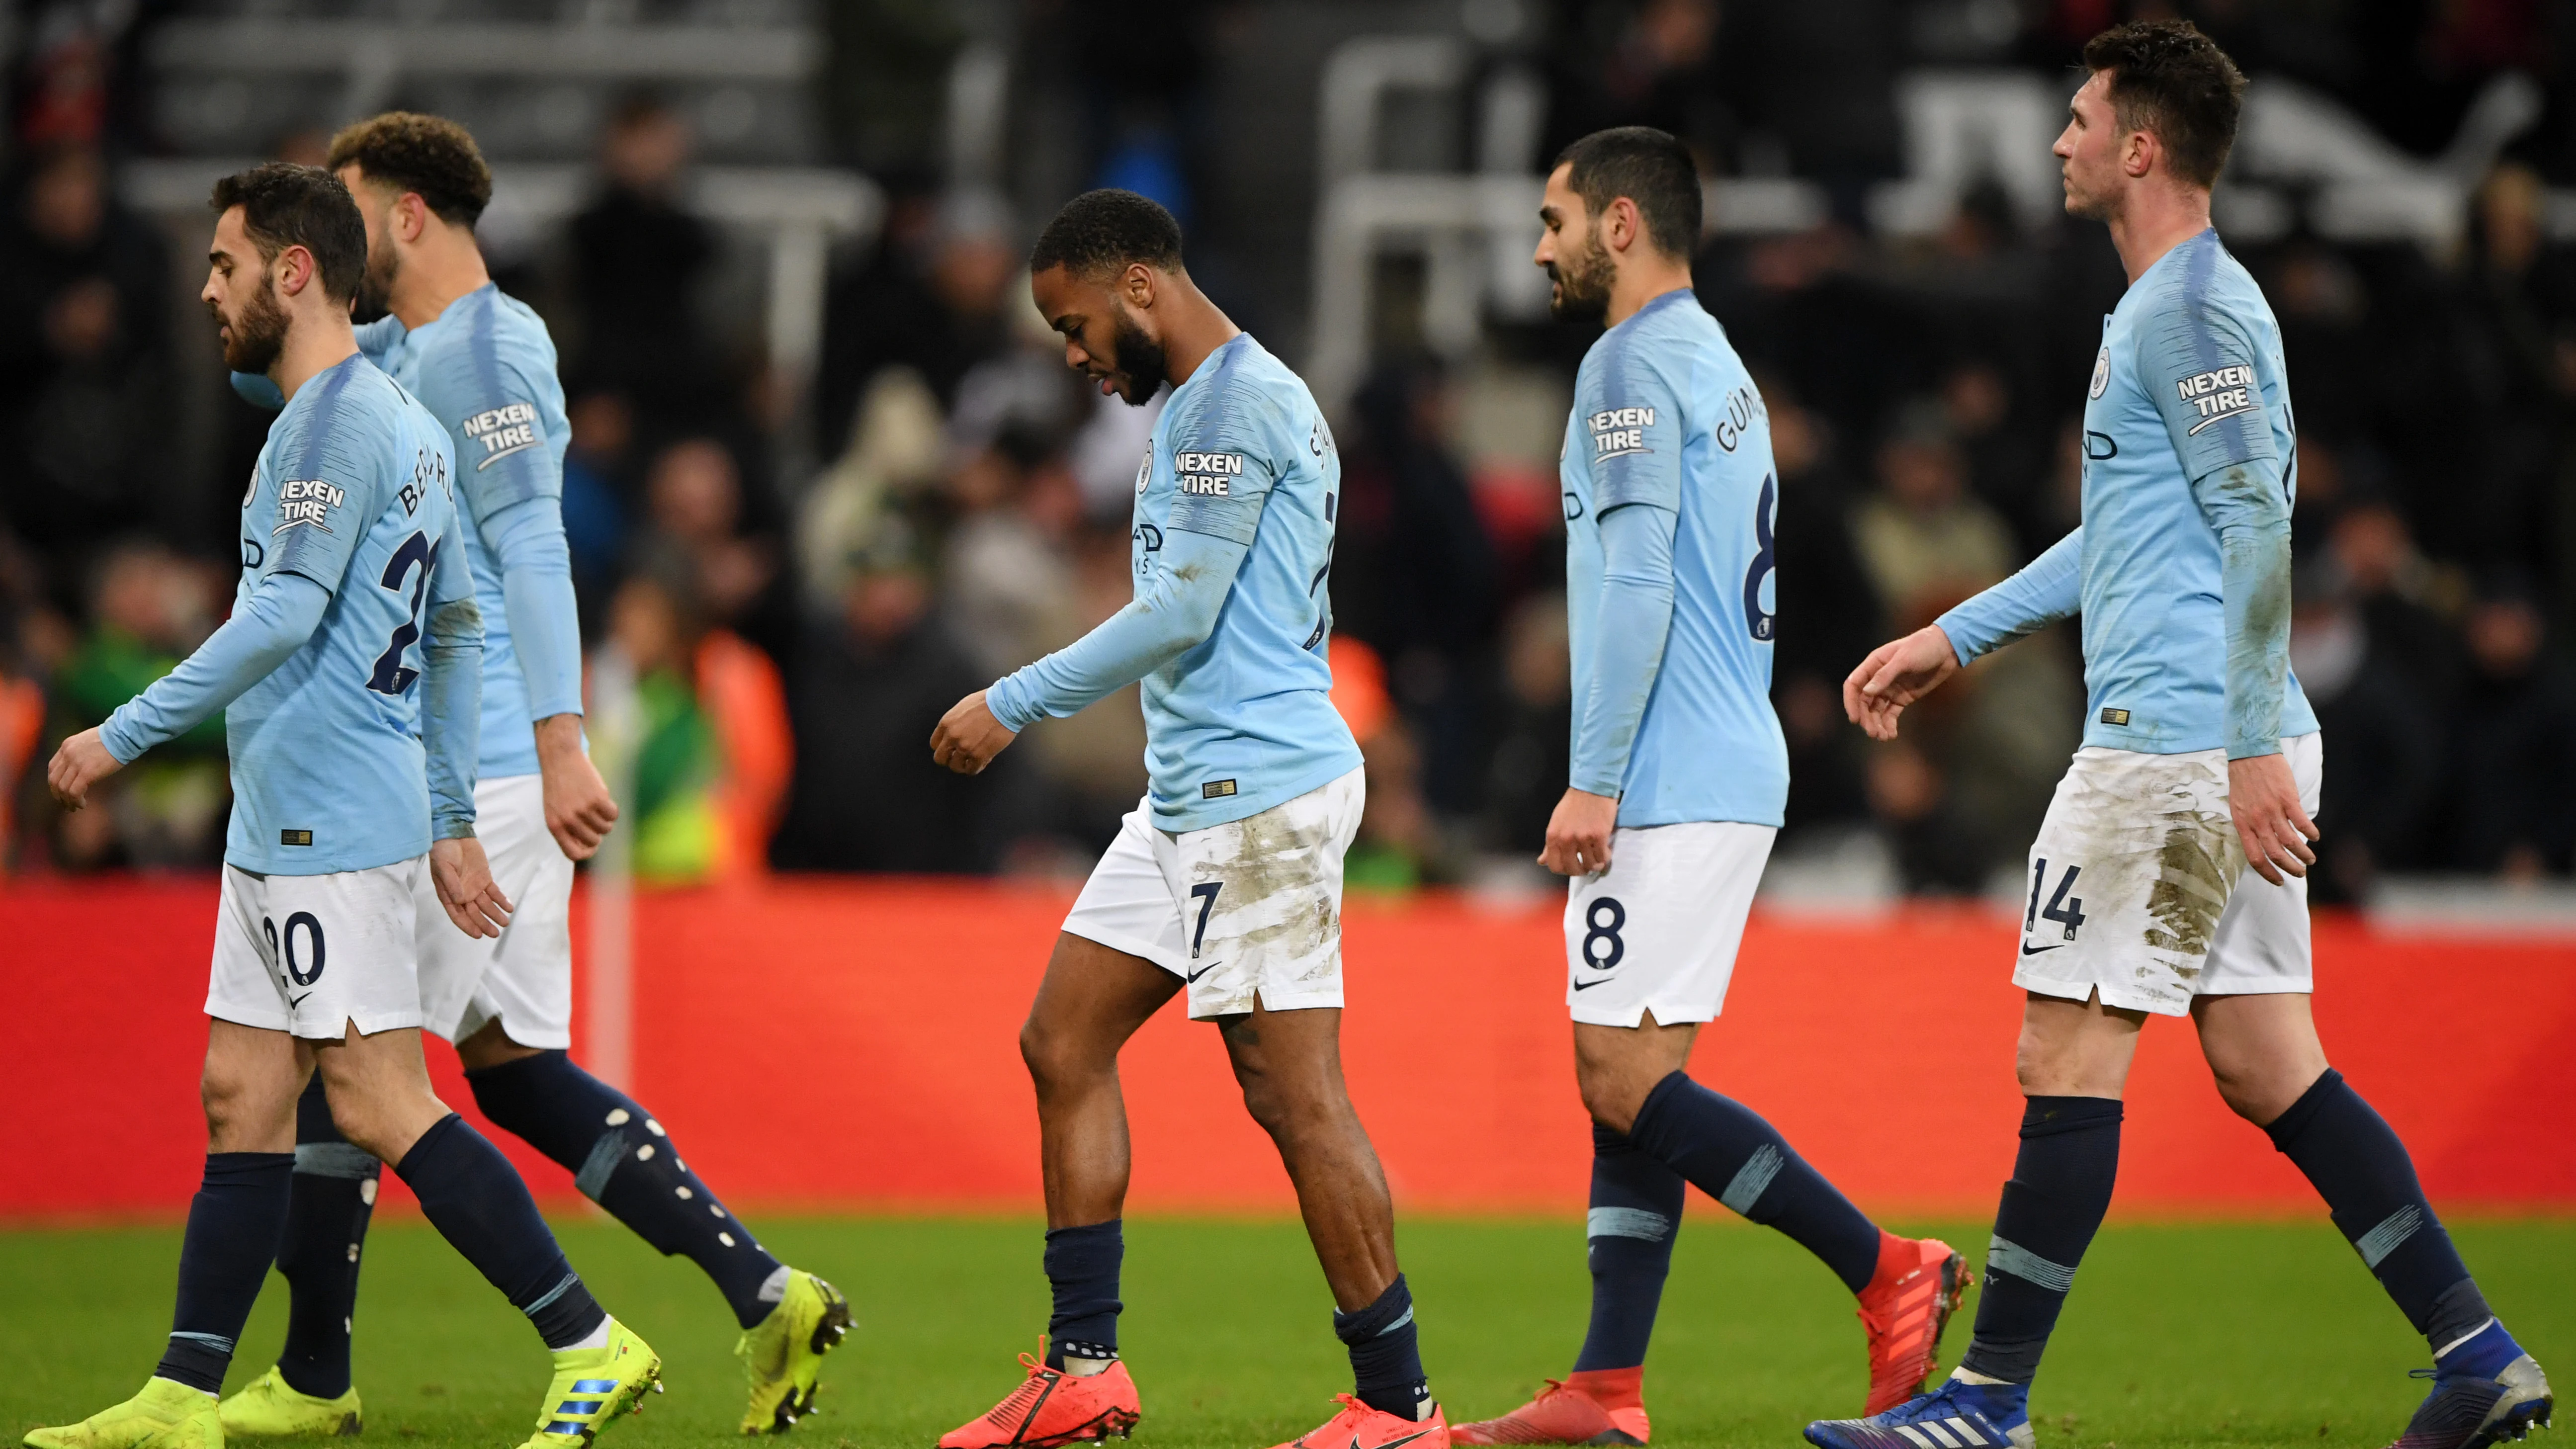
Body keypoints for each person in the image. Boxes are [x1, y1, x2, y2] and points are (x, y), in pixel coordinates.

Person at [1813, 23, 2553, 1448]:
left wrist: (2243, 742)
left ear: (2137, 144)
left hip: (2175, 741)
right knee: (2269, 1063)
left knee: (2062, 1054)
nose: (2057, 142)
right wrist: (1949, 633)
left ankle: (1985, 1401)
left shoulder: (2190, 311)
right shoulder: (2163, 308)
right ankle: (2475, 1354)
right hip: (2218, 732)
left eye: (2078, 118)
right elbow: (2127, 535)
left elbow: (2256, 519)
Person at [214, 114, 846, 1438]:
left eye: (345, 214)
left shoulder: (493, 347)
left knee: (359, 1063)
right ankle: (758, 1287)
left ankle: (334, 1376)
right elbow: (261, 382)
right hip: (455, 749)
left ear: (403, 217)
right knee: (506, 1068)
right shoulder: (401, 348)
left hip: (486, 760)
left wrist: (561, 744)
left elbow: (534, 551)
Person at [29, 162, 662, 1449]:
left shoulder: (331, 431)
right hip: (292, 818)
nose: (206, 290)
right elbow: (457, 630)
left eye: (223, 264)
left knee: (378, 1099)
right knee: (240, 1092)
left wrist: (122, 733)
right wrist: (448, 816)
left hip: (327, 817)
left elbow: (286, 614)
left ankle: (588, 1337)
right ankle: (182, 1393)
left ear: (294, 271)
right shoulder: (390, 422)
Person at [1444, 128, 1969, 1448]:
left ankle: (1881, 1266)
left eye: (1553, 218)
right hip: (1721, 753)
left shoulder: (1623, 371)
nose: (1539, 246)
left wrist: (1592, 776)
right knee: (1628, 1074)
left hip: (1667, 770)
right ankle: (1605, 1387)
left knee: (1621, 1076)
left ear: (1621, 222)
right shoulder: (1717, 360)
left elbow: (1630, 584)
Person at [926, 189, 1446, 1449]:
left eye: (1075, 322)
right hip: (1188, 794)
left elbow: (1181, 611)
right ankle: (1084, 1366)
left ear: (1138, 286)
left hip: (1258, 797)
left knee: (1294, 1094)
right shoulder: (1211, 402)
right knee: (1062, 1041)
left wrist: (1012, 696)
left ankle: (1399, 1406)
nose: (1073, 352)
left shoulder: (1225, 406)